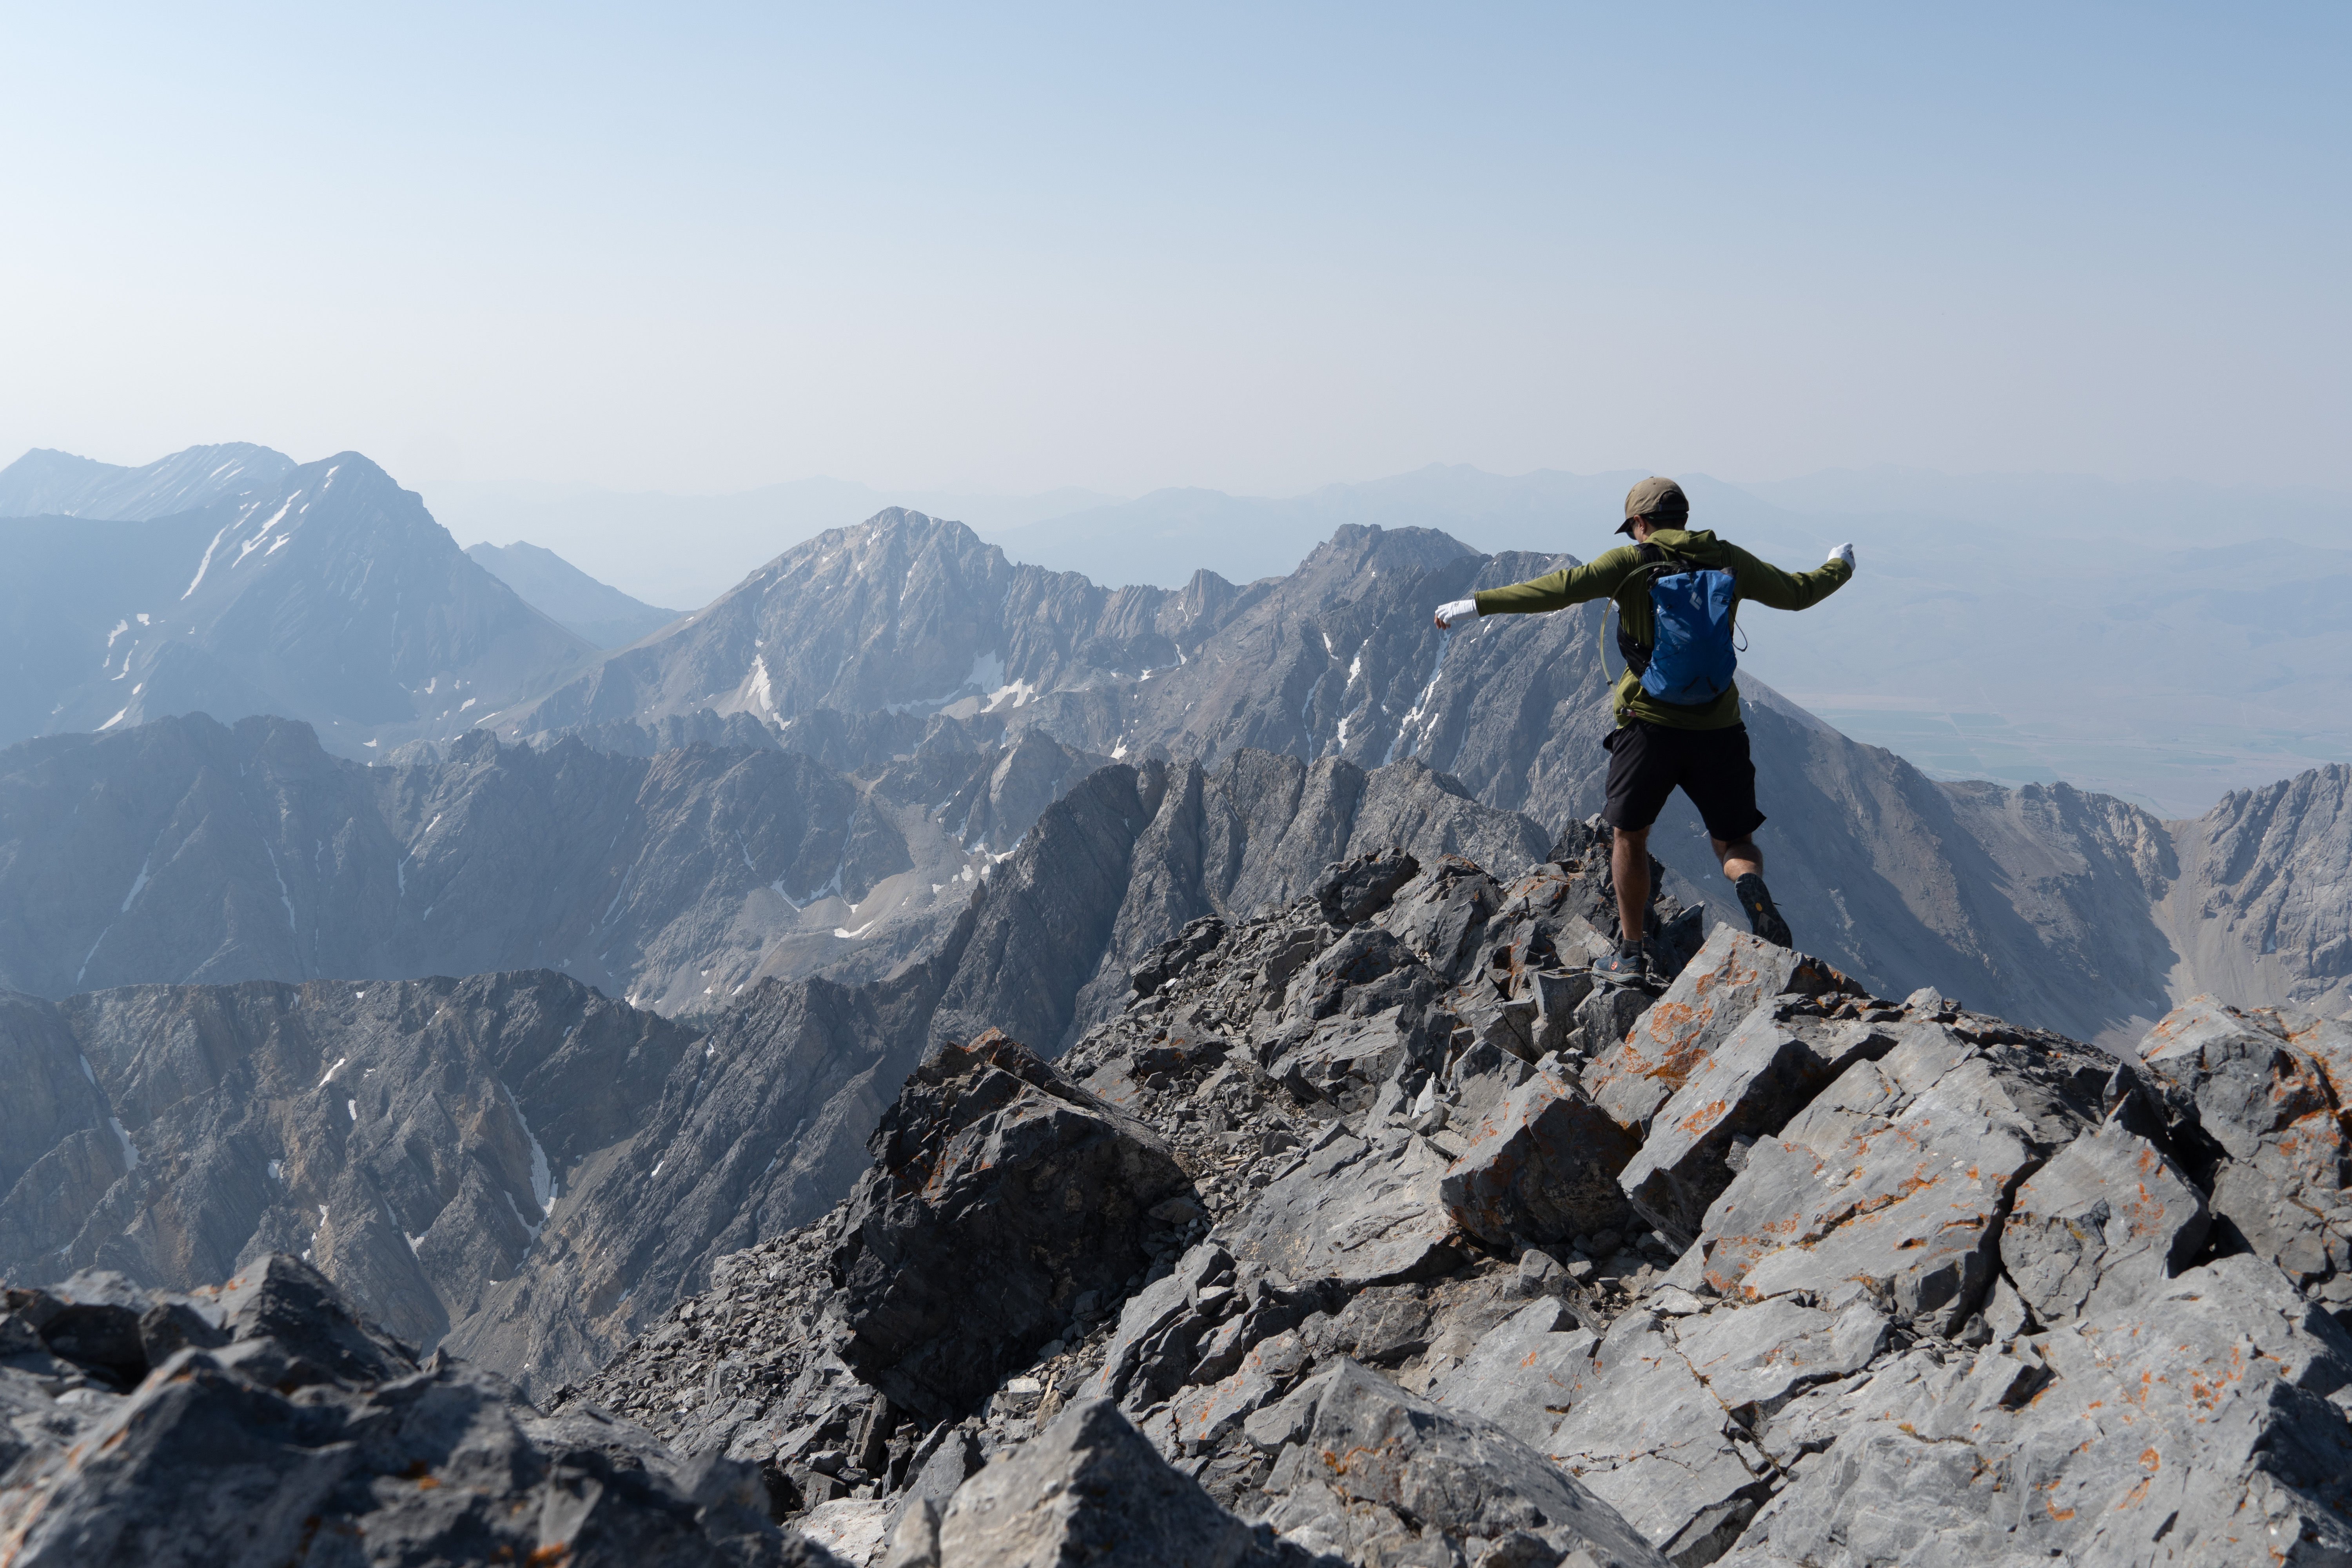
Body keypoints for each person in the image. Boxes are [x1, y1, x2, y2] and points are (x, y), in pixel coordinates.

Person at [1432, 477, 1854, 978]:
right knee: (1733, 840)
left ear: (1639, 523)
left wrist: (1477, 605)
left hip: (1648, 726)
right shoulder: (1727, 559)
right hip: (1719, 727)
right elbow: (1797, 593)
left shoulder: (1631, 563)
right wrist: (1840, 566)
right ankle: (1747, 884)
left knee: (1629, 836)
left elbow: (1556, 591)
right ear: (1685, 518)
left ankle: (1631, 953)